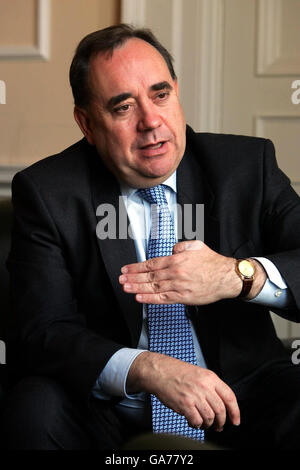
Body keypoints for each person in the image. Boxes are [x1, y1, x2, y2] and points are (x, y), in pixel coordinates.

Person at [1, 23, 300, 450]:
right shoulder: (49, 192)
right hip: (108, 410)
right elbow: (42, 329)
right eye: (123, 107)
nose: (151, 121)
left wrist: (238, 275)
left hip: (243, 397)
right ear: (86, 123)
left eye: (160, 95)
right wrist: (147, 368)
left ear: (176, 92)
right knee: (34, 409)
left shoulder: (246, 166)